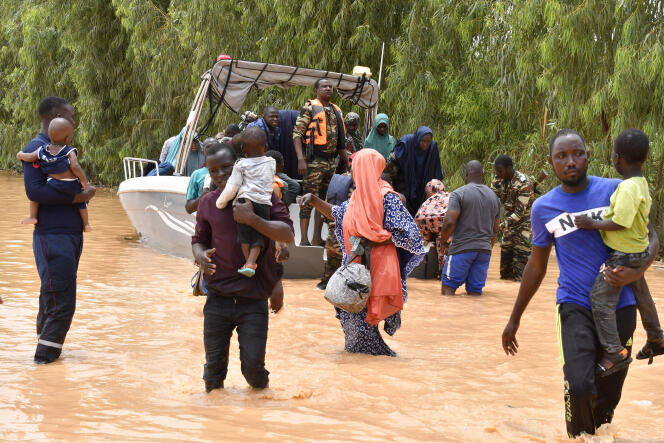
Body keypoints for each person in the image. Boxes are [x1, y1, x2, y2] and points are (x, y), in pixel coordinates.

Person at [501, 129, 659, 437]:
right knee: (579, 386)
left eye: (577, 154)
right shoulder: (543, 207)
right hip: (574, 306)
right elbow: (536, 266)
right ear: (551, 162)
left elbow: (650, 237)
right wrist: (514, 319)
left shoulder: (618, 189)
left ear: (588, 156)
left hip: (622, 305)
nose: (570, 161)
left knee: (607, 398)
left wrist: (638, 272)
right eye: (561, 156)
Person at [299, 149, 424, 356]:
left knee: (362, 320)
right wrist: (313, 200)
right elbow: (337, 214)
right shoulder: (357, 198)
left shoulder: (387, 198)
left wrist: (375, 239)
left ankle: (370, 368)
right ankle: (370, 365)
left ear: (364, 169)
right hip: (355, 267)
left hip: (378, 269)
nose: (352, 173)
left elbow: (410, 235)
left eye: (355, 169)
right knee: (352, 314)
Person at [192, 144, 293, 392]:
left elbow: (287, 233)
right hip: (218, 298)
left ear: (239, 165)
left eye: (226, 167)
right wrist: (200, 255)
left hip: (253, 299)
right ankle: (216, 423)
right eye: (214, 170)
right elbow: (198, 240)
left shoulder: (264, 197)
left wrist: (253, 219)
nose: (221, 174)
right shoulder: (207, 203)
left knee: (253, 370)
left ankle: (259, 416)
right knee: (213, 372)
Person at [574, 129, 664, 374]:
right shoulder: (641, 183)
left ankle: (615, 352)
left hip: (623, 254)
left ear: (617, 158)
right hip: (639, 251)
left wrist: (592, 224)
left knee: (600, 298)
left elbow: (621, 222)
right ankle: (656, 338)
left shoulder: (626, 188)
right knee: (642, 295)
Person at [19, 96, 96, 364]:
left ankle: (44, 360)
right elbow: (34, 191)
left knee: (53, 295)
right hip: (53, 236)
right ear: (53, 116)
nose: (73, 121)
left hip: (68, 235)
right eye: (69, 116)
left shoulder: (60, 148)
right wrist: (81, 197)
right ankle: (44, 362)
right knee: (62, 300)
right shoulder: (37, 149)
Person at [293, 78, 348, 246]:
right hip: (314, 161)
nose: (328, 88)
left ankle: (317, 237)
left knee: (324, 201)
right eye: (324, 86)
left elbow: (340, 141)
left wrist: (345, 161)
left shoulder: (336, 110)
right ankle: (303, 239)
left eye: (330, 86)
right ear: (316, 90)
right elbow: (297, 134)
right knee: (308, 199)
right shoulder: (309, 108)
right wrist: (300, 159)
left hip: (331, 163)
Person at [216, 127, 276, 278]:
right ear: (266, 147)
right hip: (263, 203)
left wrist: (220, 203)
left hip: (244, 202)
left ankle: (246, 262)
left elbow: (232, 187)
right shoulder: (271, 162)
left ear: (243, 149)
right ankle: (251, 262)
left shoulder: (241, 164)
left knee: (244, 234)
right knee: (259, 235)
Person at [17, 118, 92, 232]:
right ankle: (86, 224)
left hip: (53, 185)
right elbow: (75, 167)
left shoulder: (42, 150)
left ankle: (33, 217)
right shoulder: (69, 150)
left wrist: (21, 155)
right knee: (81, 201)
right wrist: (83, 182)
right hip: (70, 185)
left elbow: (29, 157)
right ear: (67, 138)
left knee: (35, 195)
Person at [439, 161, 500, 296]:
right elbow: (495, 229)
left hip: (462, 248)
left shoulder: (459, 194)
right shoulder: (494, 197)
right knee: (475, 293)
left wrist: (443, 242)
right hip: (484, 251)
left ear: (466, 174)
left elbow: (449, 222)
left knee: (447, 289)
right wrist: (488, 247)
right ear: (482, 175)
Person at [491, 154, 535, 281]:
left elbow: (518, 214)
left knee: (520, 275)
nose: (497, 173)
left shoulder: (524, 183)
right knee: (505, 272)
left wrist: (498, 227)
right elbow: (492, 202)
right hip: (508, 228)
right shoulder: (497, 181)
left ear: (509, 168)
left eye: (499, 171)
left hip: (524, 228)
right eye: (496, 171)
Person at [386, 126, 443, 216]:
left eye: (428, 141)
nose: (425, 144)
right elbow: (391, 164)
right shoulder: (406, 144)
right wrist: (390, 182)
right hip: (404, 183)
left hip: (423, 186)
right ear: (417, 139)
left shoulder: (432, 148)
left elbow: (436, 171)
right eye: (423, 141)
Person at [317, 172, 354, 290]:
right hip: (348, 234)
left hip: (333, 230)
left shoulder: (340, 180)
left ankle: (325, 282)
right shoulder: (362, 185)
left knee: (331, 264)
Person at [415, 179, 451, 273]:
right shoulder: (453, 196)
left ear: (429, 192)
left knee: (448, 276)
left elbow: (420, 219)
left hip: (444, 242)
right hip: (464, 238)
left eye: (427, 193)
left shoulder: (427, 204)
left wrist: (426, 237)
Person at [185, 141, 225, 214]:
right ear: (202, 152)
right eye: (208, 147)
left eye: (216, 147)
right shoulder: (197, 174)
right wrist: (203, 197)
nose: (212, 149)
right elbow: (188, 208)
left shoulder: (226, 172)